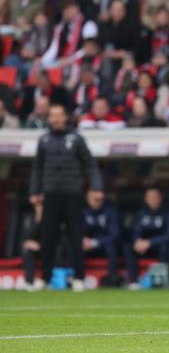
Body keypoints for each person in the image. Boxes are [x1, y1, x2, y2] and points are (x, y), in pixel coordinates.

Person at [29, 104, 104, 292]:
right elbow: (37, 169)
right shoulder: (44, 140)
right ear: (49, 118)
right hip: (51, 196)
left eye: (59, 115)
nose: (56, 119)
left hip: (73, 195)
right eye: (52, 115)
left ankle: (78, 278)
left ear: (66, 117)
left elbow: (90, 165)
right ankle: (45, 278)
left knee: (75, 237)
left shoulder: (76, 138)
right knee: (48, 239)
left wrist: (96, 187)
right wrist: (34, 192)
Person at [123, 187, 169, 289]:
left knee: (167, 248)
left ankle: (162, 281)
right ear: (146, 199)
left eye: (155, 197)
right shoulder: (141, 213)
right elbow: (135, 231)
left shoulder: (168, 213)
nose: (153, 200)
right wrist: (138, 241)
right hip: (143, 248)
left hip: (160, 246)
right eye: (150, 197)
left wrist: (150, 242)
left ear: (160, 198)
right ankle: (134, 282)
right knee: (128, 248)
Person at [83, 190, 121, 285]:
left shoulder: (110, 212)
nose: (96, 201)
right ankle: (77, 278)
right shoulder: (82, 212)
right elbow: (76, 230)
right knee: (75, 245)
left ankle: (112, 278)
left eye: (98, 199)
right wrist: (82, 240)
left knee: (111, 246)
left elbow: (114, 234)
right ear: (87, 199)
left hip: (103, 246)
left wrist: (95, 242)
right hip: (87, 247)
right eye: (93, 198)